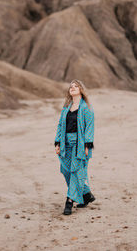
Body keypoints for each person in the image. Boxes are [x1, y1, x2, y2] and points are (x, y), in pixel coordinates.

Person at [54, 79, 95, 215]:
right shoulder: (66, 108)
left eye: (76, 86)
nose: (72, 88)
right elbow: (60, 126)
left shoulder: (86, 108)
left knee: (75, 171)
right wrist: (58, 143)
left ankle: (69, 201)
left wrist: (87, 145)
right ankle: (85, 195)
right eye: (71, 86)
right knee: (66, 170)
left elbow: (89, 127)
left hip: (80, 144)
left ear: (81, 90)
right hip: (66, 143)